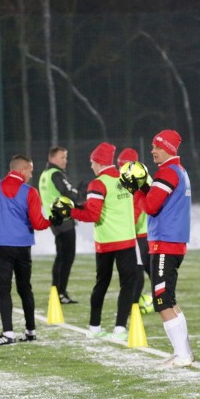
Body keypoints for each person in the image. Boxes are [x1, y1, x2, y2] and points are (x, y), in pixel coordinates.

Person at [119, 129, 194, 368]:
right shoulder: (178, 171)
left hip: (165, 243)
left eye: (158, 147)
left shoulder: (169, 172)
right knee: (169, 299)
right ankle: (183, 353)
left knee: (161, 301)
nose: (153, 151)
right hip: (171, 242)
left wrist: (137, 190)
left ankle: (182, 355)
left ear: (170, 149)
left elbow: (151, 206)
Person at [0, 155, 51, 346]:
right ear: (23, 170)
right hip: (23, 247)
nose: (31, 175)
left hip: (1, 246)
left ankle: (8, 334)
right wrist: (54, 219)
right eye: (31, 171)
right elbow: (38, 223)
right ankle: (30, 331)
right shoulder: (30, 192)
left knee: (3, 290)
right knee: (25, 288)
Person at [68, 143, 138, 339]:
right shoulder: (127, 178)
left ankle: (95, 327)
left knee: (102, 284)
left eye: (92, 162)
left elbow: (92, 214)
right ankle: (120, 328)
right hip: (127, 241)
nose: (91, 166)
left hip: (106, 242)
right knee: (127, 285)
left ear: (99, 162)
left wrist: (70, 211)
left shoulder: (98, 183)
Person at [38, 146, 84, 304]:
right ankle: (60, 292)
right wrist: (80, 194)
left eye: (66, 157)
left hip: (54, 219)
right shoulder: (56, 174)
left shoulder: (44, 174)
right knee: (66, 257)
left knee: (61, 257)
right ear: (52, 158)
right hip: (63, 220)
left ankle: (56, 291)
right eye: (62, 157)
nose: (65, 160)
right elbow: (69, 193)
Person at [116, 148, 153, 314]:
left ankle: (134, 304)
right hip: (148, 231)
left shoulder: (135, 178)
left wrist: (127, 226)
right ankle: (163, 298)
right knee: (149, 268)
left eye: (121, 165)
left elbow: (136, 206)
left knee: (137, 269)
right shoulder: (145, 176)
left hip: (140, 232)